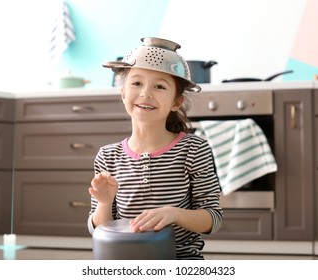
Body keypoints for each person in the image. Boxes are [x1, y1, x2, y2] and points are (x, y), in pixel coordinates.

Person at [87, 37, 223, 259]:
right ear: (123, 93)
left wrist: (174, 214)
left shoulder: (193, 149)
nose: (146, 93)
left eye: (159, 86)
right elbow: (99, 229)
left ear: (176, 102)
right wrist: (104, 202)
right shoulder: (107, 156)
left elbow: (213, 218)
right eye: (137, 83)